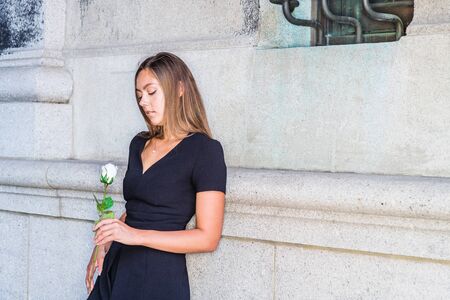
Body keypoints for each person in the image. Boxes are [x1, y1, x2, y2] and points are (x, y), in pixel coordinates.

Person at [85, 52, 227, 299]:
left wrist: (134, 236)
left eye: (151, 92)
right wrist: (106, 239)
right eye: (139, 96)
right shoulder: (138, 144)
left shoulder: (205, 151)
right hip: (118, 264)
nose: (143, 102)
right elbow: (139, 205)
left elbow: (208, 238)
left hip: (158, 275)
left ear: (180, 88)